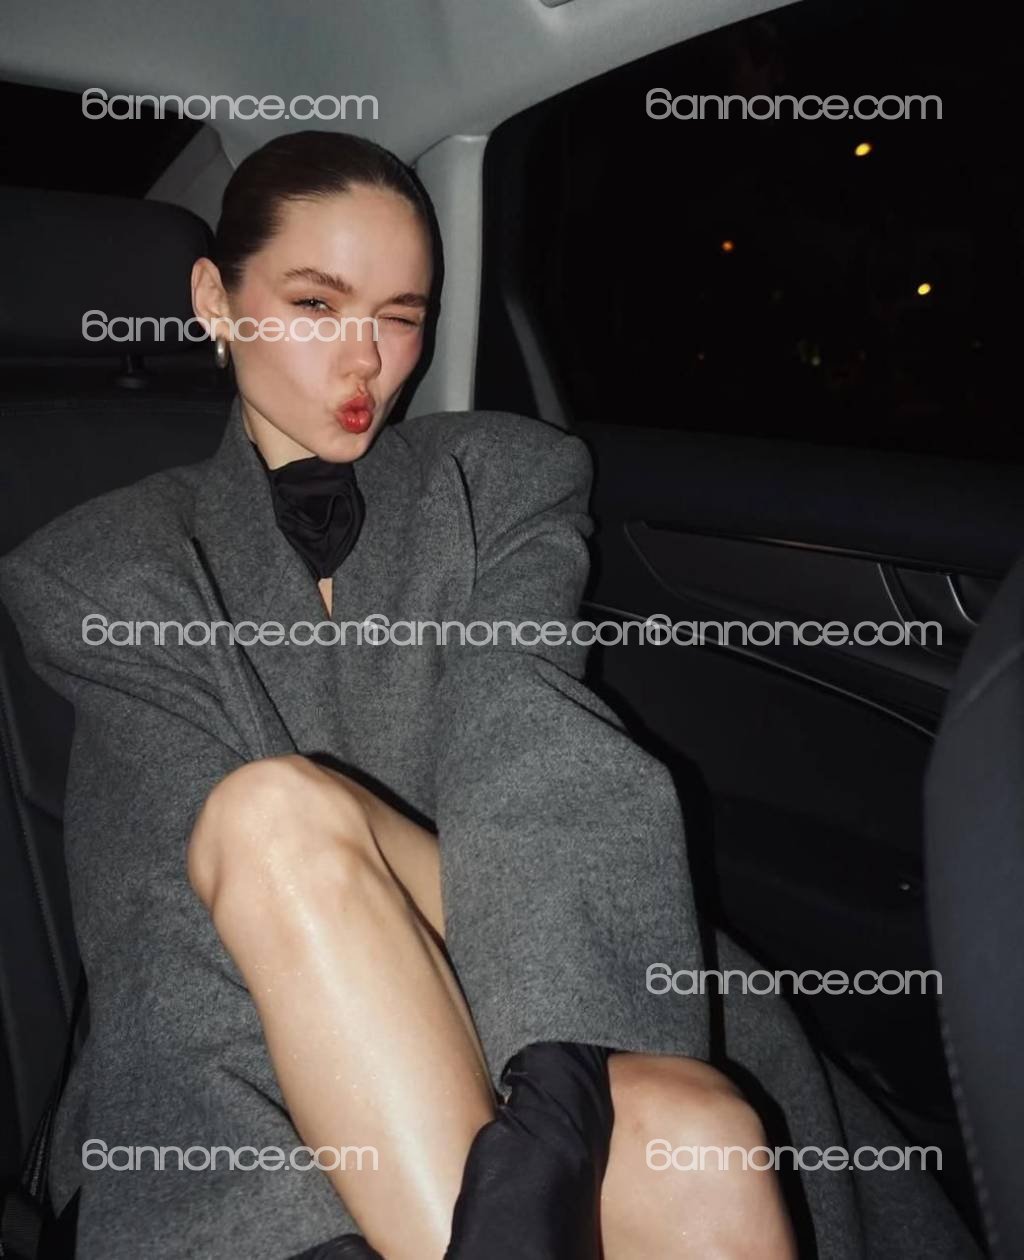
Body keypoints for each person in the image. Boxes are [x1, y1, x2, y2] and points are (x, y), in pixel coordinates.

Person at [0, 131, 976, 1260]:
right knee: (267, 811)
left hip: (530, 930)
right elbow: (165, 925)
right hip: (266, 1018)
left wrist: (567, 1080)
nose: (365, 360)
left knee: (692, 1136)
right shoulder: (100, 571)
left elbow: (527, 723)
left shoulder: (499, 475)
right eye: (316, 305)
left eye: (401, 315)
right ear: (216, 301)